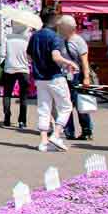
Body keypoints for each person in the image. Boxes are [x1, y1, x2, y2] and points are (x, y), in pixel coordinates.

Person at [27, 10, 77, 151]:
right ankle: (56, 134)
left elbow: (29, 56)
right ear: (54, 20)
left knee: (44, 109)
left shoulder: (35, 36)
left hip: (39, 77)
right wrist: (69, 63)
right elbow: (56, 57)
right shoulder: (55, 37)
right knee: (66, 106)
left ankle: (43, 141)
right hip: (54, 76)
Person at [58, 15, 94, 141]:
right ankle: (69, 131)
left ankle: (86, 130)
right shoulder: (60, 40)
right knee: (66, 104)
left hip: (77, 76)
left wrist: (86, 78)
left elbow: (84, 61)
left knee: (81, 104)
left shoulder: (79, 41)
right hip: (64, 76)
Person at [0, 21, 31, 129]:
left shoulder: (8, 39)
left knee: (7, 93)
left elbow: (2, 54)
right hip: (23, 69)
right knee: (23, 96)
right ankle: (22, 121)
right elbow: (30, 56)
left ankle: (7, 117)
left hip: (9, 68)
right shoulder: (26, 40)